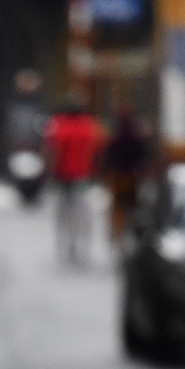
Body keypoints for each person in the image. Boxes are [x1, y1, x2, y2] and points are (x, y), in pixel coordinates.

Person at [44, 101, 104, 266]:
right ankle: (81, 245)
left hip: (63, 176)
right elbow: (99, 151)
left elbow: (53, 152)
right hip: (83, 176)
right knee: (81, 212)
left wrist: (50, 172)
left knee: (63, 212)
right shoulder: (91, 126)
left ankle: (67, 245)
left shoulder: (58, 125)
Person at [100, 110, 151, 243]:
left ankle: (117, 232)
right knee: (132, 205)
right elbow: (143, 159)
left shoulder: (116, 140)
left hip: (118, 177)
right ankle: (128, 230)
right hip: (132, 178)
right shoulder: (136, 140)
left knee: (117, 206)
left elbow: (108, 158)